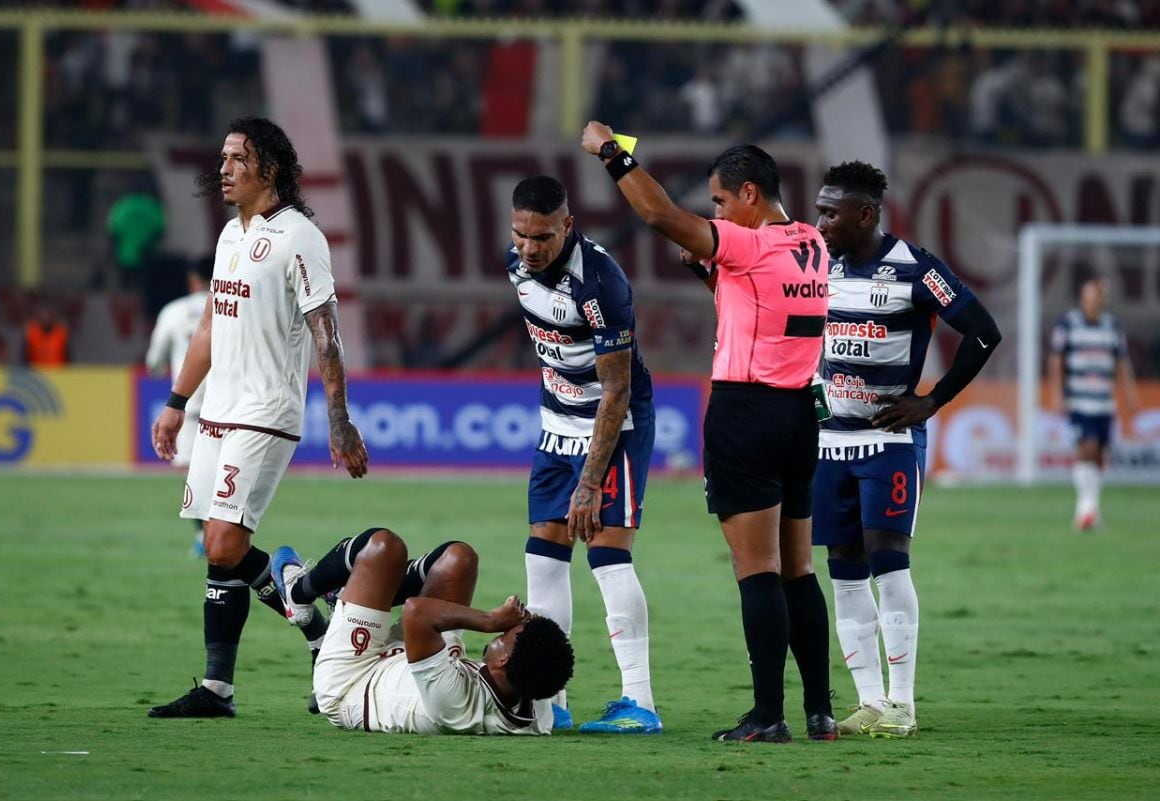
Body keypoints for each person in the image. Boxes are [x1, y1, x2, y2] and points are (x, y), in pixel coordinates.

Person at [580, 122, 835, 743]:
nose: (715, 213)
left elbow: (661, 214)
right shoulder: (812, 244)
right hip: (800, 416)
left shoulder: (749, 245)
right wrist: (710, 274)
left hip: (745, 415)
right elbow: (757, 303)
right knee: (799, 570)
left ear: (749, 194)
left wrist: (611, 153)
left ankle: (768, 715)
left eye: (720, 202)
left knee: (757, 570)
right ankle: (820, 713)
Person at [147, 117, 369, 719]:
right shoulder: (228, 236)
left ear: (269, 169)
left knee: (221, 541)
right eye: (222, 157)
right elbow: (210, 326)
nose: (223, 168)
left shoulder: (300, 237)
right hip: (216, 409)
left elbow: (327, 333)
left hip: (266, 411)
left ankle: (305, 617)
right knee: (223, 551)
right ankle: (237, 676)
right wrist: (175, 402)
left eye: (237, 158)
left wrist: (340, 419)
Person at [811, 161, 1002, 738]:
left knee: (889, 563)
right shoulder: (817, 267)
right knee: (843, 571)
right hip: (827, 440)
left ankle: (903, 704)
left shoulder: (917, 269)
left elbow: (984, 331)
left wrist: (934, 400)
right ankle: (871, 702)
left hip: (889, 439)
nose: (818, 221)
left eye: (830, 211)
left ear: (865, 214)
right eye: (818, 209)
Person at [506, 175, 662, 734]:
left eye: (542, 237)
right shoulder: (515, 262)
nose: (529, 248)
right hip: (555, 424)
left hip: (612, 427)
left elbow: (617, 392)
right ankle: (552, 700)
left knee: (606, 554)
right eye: (521, 235)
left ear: (568, 225)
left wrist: (590, 482)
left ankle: (639, 703)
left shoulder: (600, 284)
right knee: (543, 556)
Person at [268, 528, 574, 735]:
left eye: (502, 637)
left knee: (383, 547)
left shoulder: (455, 706)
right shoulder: (534, 700)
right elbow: (547, 655)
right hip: (423, 661)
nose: (501, 631)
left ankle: (299, 593)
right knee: (460, 559)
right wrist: (527, 624)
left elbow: (416, 612)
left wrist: (489, 620)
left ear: (503, 660)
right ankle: (348, 602)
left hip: (354, 681)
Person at [1047, 276, 1139, 530]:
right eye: (1091, 297)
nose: (1095, 302)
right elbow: (1057, 360)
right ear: (1083, 299)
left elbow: (1121, 361)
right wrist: (1057, 393)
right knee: (1086, 448)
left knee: (1099, 454)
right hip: (1078, 399)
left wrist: (1129, 392)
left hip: (1103, 400)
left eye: (1099, 298)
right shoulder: (1068, 324)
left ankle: (1091, 509)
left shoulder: (1112, 326)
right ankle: (1085, 509)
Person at [145, 256, 213, 556]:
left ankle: (205, 535)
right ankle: (216, 536)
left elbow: (155, 363)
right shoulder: (238, 306)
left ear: (192, 280)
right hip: (231, 406)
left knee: (191, 474)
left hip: (189, 409)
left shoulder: (173, 312)